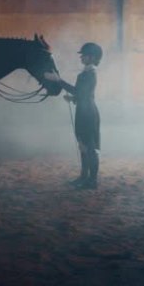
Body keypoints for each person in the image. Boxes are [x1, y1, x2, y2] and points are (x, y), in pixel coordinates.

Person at [45, 42, 102, 189]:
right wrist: (73, 99)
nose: (81, 57)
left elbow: (81, 92)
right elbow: (83, 94)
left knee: (90, 146)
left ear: (92, 57)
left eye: (84, 55)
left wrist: (59, 80)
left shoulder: (90, 74)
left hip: (88, 113)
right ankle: (84, 177)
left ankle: (92, 181)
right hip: (83, 110)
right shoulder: (85, 73)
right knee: (82, 145)